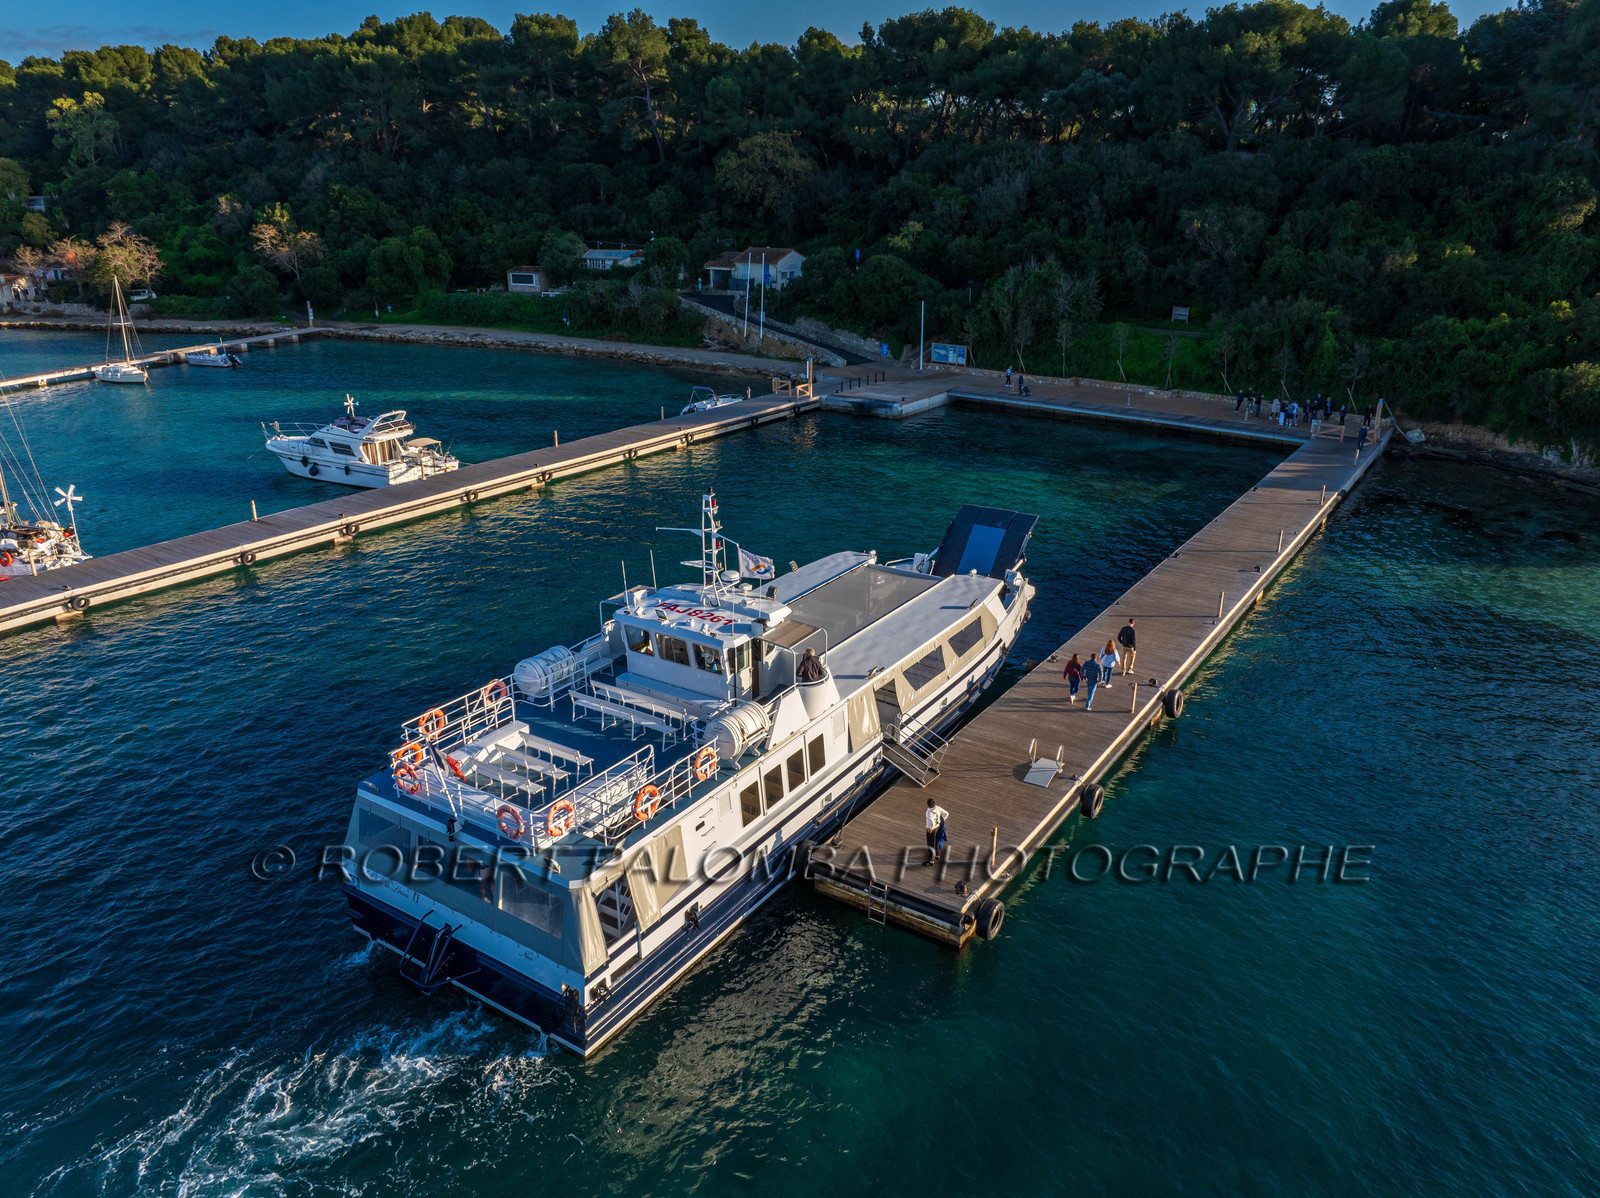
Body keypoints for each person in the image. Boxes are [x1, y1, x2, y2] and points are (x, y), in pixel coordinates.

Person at [925, 798, 949, 865]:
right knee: (936, 840)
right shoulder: (937, 808)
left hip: (932, 830)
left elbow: (931, 822)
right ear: (934, 804)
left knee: (930, 844)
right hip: (938, 827)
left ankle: (931, 860)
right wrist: (941, 820)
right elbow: (946, 813)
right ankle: (937, 855)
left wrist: (930, 829)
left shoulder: (929, 813)